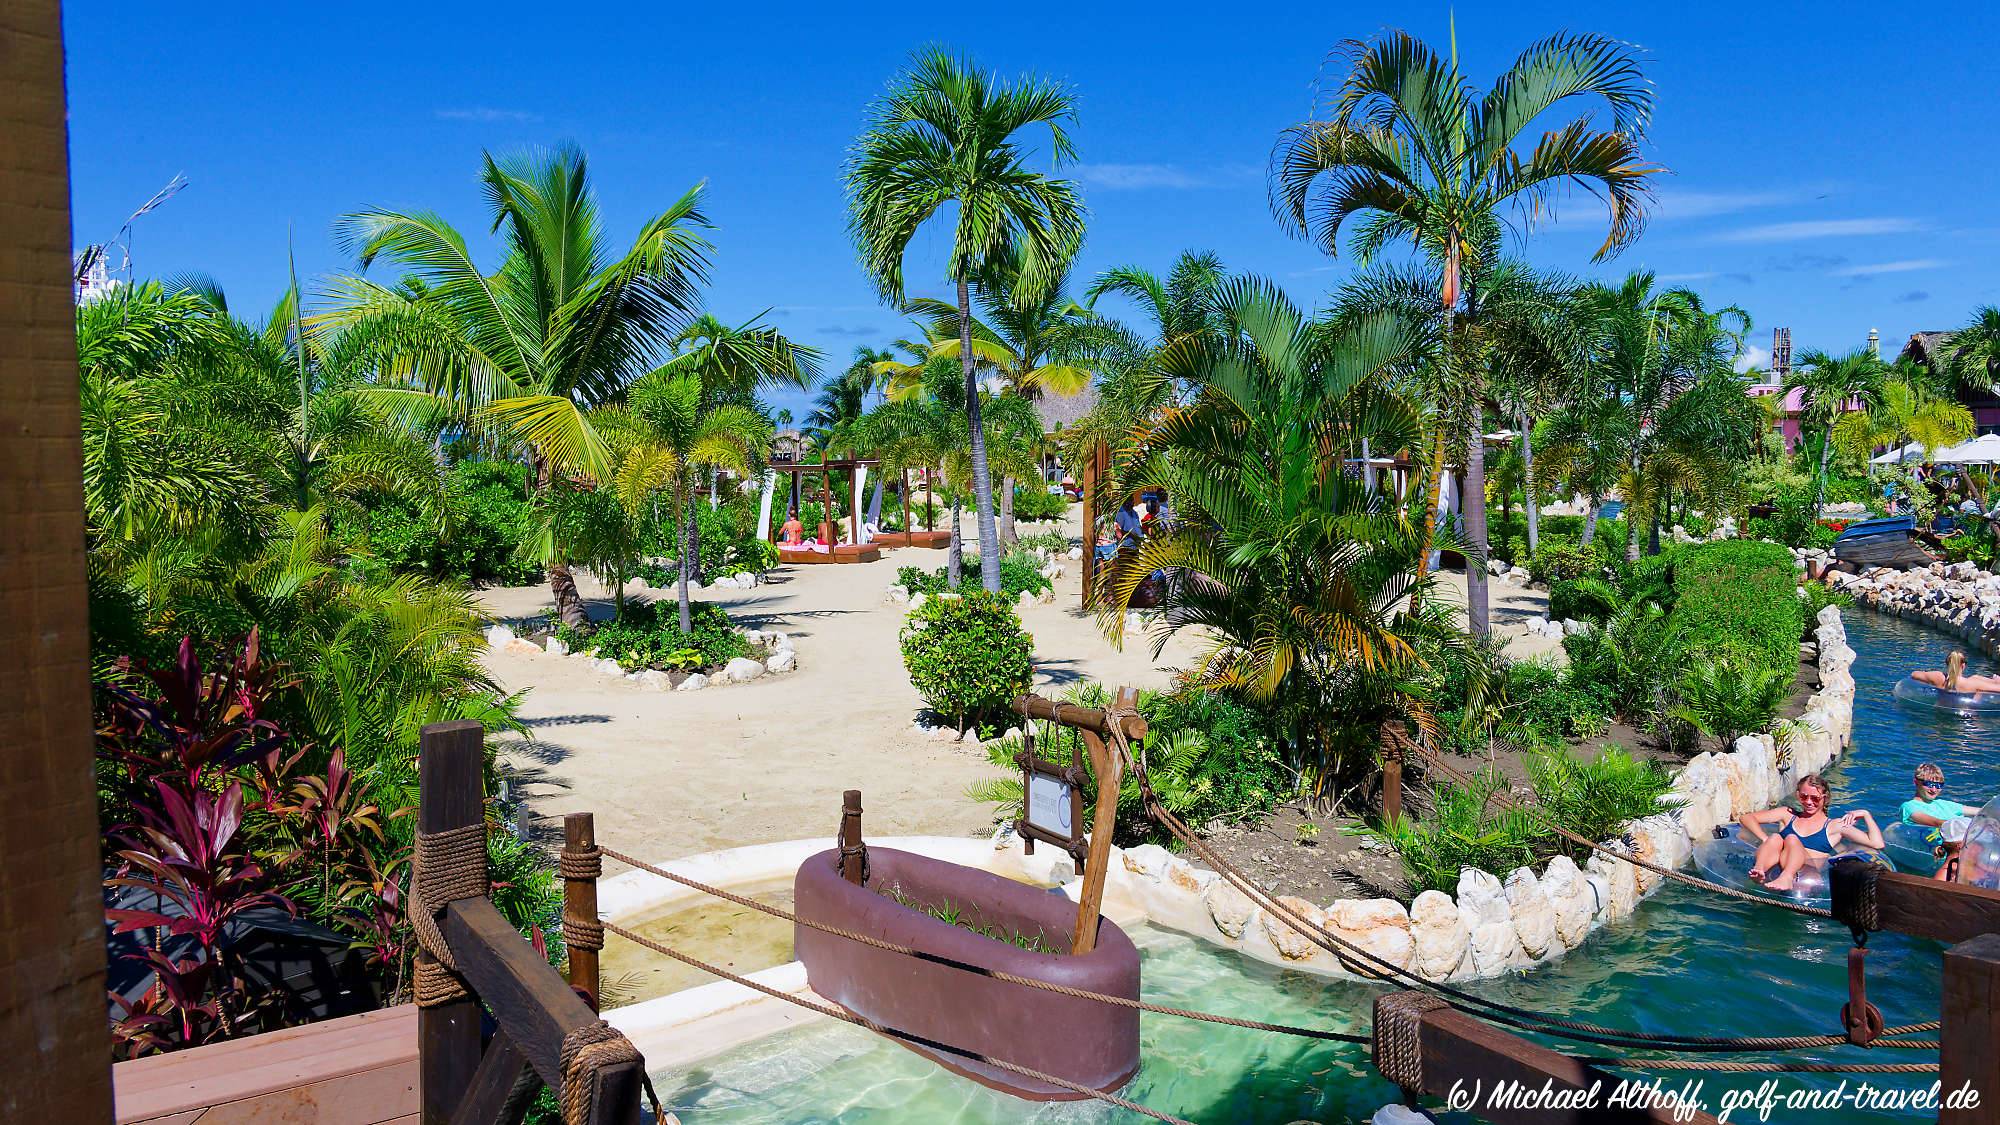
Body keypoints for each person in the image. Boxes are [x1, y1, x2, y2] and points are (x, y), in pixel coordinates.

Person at [1739, 775, 1885, 892]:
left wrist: (1866, 815)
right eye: (1803, 797)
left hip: (1806, 875)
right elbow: (1746, 818)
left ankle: (1787, 877)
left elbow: (1877, 843)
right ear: (1798, 795)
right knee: (1775, 837)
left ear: (1825, 798)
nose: (1809, 802)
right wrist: (1765, 838)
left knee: (1791, 838)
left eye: (1815, 798)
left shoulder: (1835, 825)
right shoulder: (1787, 814)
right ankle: (1759, 870)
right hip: (1774, 870)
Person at [1901, 762, 1970, 829]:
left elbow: (1979, 812)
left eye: (1938, 785)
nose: (1934, 790)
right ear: (1916, 782)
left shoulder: (1944, 804)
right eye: (1929, 784)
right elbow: (1936, 822)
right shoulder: (1908, 806)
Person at [1911, 651, 2000, 694]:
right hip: (1965, 720)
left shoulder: (1937, 677)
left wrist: (1926, 673)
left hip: (1940, 716)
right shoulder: (1973, 683)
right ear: (1963, 665)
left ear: (1946, 663)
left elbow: (1914, 674)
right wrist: (1997, 681)